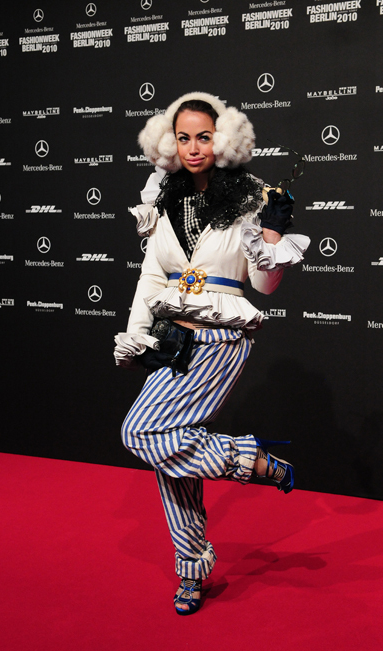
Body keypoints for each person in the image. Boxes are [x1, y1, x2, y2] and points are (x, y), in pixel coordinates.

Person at [114, 91, 310, 615]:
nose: (193, 147)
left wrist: (273, 232)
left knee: (140, 432)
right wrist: (137, 336)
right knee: (171, 463)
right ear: (169, 143)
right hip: (172, 339)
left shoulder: (251, 196)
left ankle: (254, 461)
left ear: (223, 139)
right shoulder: (165, 197)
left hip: (220, 340)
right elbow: (152, 276)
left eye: (204, 136)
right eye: (183, 138)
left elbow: (264, 286)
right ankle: (192, 568)